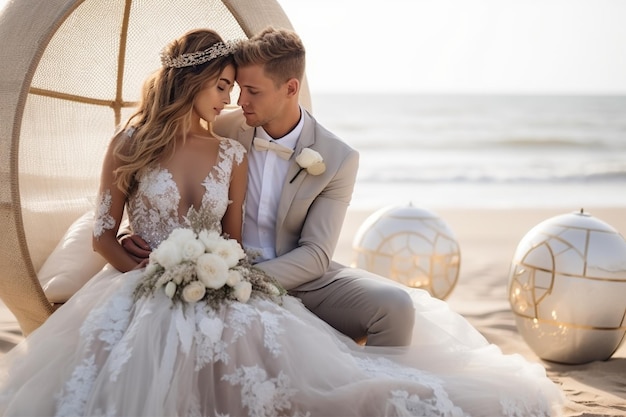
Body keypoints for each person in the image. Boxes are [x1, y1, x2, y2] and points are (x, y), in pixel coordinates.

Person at [0, 28, 564, 417]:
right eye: (225, 86)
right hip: (146, 282)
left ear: (288, 89)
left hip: (261, 275)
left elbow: (251, 243)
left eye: (244, 89)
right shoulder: (168, 139)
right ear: (193, 82)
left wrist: (231, 280)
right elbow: (103, 235)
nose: (232, 99)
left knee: (382, 315)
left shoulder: (291, 155)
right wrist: (146, 271)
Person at [122, 25, 417, 347]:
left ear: (290, 88)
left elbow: (316, 254)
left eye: (253, 91)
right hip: (212, 265)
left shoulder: (337, 157)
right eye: (237, 89)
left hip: (298, 278)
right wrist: (132, 231)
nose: (239, 100)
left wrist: (234, 281)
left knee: (395, 306)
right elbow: (165, 179)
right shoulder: (218, 127)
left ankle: (374, 389)